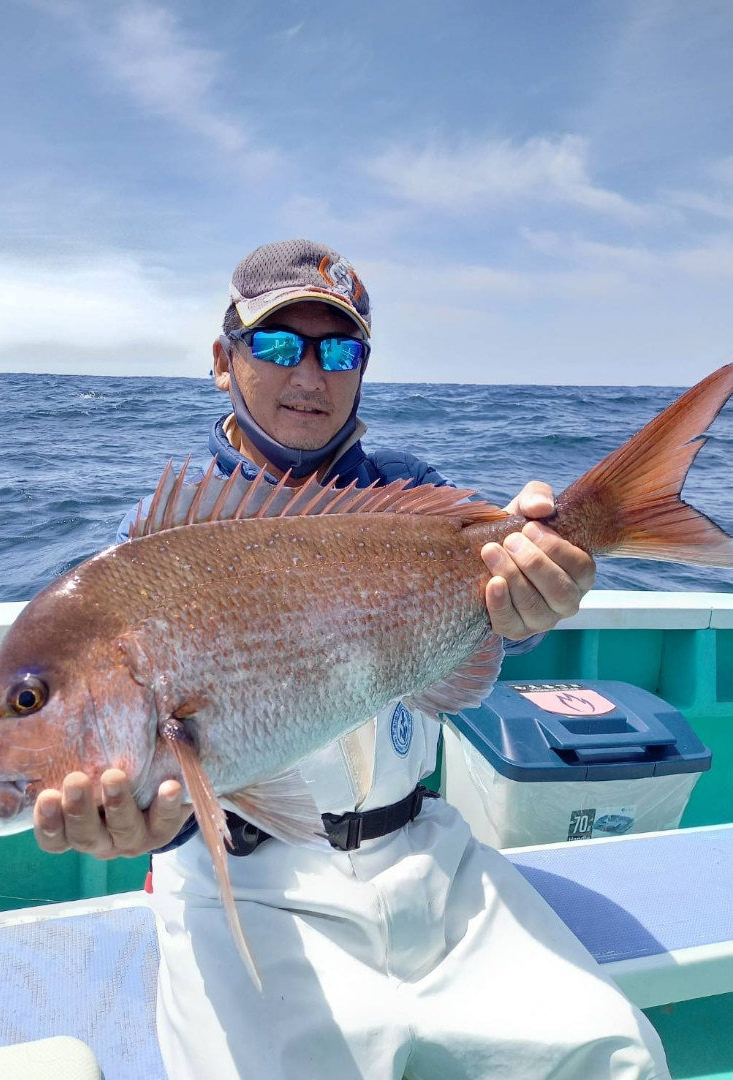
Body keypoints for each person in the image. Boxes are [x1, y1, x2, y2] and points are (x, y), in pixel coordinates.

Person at [33, 240, 670, 1080]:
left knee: (616, 1054)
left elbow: (481, 634)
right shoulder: (152, 548)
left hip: (429, 854)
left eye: (339, 351)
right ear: (223, 360)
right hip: (250, 889)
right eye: (275, 344)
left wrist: (529, 607)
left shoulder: (409, 493)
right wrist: (158, 820)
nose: (309, 375)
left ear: (363, 368)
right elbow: (172, 764)